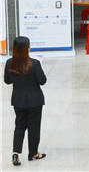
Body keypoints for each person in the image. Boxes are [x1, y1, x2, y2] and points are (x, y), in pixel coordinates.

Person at [4, 37, 47, 166]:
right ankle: (33, 153)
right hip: (35, 101)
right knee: (34, 127)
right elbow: (42, 81)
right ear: (27, 48)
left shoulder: (9, 63)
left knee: (19, 126)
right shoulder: (34, 63)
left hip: (18, 101)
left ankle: (15, 153)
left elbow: (7, 81)